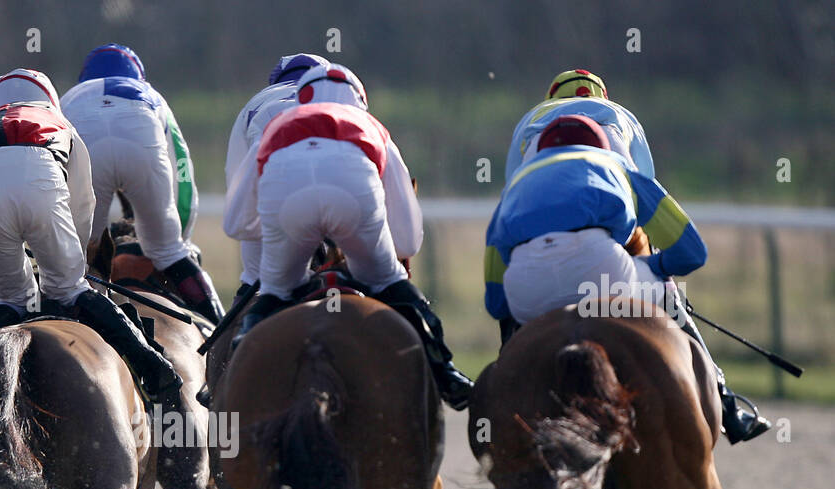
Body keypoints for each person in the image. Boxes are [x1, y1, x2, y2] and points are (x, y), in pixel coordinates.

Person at [484, 114, 768, 443]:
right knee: (666, 289)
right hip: (603, 278)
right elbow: (692, 254)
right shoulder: (618, 168)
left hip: (527, 289)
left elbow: (495, 303)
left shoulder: (514, 187)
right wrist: (655, 266)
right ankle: (724, 399)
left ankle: (497, 399)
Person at [224, 64, 473, 409]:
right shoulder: (372, 127)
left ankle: (234, 375)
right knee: (389, 278)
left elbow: (235, 224)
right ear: (359, 101)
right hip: (354, 207)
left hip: (288, 213)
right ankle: (446, 374)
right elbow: (407, 242)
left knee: (274, 291)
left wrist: (282, 229)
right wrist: (377, 264)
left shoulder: (275, 127)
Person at [0, 68, 181, 401]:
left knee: (12, 299)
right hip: (39, 184)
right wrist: (69, 255)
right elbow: (82, 204)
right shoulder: (58, 123)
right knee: (68, 287)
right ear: (48, 98)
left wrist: (17, 241)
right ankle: (154, 370)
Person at [60, 43, 223, 324]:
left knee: (79, 262)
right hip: (140, 145)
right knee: (169, 251)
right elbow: (182, 171)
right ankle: (222, 333)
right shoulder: (152, 95)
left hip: (88, 151)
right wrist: (178, 240)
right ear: (137, 75)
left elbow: (55, 170)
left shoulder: (68, 99)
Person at [224, 52, 329, 301]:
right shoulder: (339, 98)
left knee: (254, 283)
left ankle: (232, 330)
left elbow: (238, 181)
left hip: (272, 205)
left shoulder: (257, 104)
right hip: (338, 203)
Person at [505, 68, 653, 181]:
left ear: (551, 97)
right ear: (603, 96)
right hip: (609, 135)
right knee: (639, 193)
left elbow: (513, 174)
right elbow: (646, 175)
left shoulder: (536, 112)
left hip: (543, 139)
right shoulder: (619, 111)